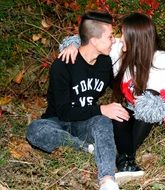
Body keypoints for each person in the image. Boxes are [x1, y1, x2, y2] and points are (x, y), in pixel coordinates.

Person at [58, 12, 165, 182]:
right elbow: (93, 39)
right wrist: (73, 45)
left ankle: (124, 156)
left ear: (136, 39)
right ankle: (127, 163)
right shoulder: (119, 50)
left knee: (151, 100)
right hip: (131, 111)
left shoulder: (160, 60)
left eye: (124, 34)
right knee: (118, 113)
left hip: (152, 117)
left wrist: (159, 107)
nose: (120, 38)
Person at [26, 11, 130, 190]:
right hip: (58, 123)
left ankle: (107, 180)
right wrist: (100, 109)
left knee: (102, 121)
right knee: (35, 130)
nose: (114, 40)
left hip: (84, 124)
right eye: (110, 36)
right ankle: (85, 148)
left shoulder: (105, 63)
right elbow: (64, 111)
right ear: (94, 40)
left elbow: (121, 89)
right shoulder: (63, 65)